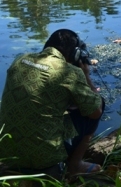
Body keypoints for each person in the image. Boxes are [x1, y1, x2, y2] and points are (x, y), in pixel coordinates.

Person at [0, 29, 104, 178]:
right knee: (99, 103)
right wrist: (87, 76)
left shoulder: (20, 59)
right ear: (75, 53)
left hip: (6, 151)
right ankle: (75, 166)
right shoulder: (71, 73)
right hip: (43, 158)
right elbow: (96, 111)